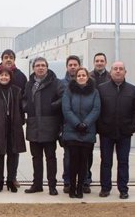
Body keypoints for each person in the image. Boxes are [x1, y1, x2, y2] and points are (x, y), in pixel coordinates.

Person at [96, 61, 135, 199]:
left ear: (125, 72)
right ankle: (105, 188)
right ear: (111, 72)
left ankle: (123, 189)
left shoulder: (133, 90)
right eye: (115, 69)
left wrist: (132, 127)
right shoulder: (101, 89)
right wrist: (100, 127)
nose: (118, 71)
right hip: (106, 133)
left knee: (123, 162)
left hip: (124, 133)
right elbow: (97, 109)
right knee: (106, 162)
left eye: (121, 69)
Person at [23, 57, 65, 196]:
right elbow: (24, 99)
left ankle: (52, 185)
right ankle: (37, 184)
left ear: (47, 67)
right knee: (36, 158)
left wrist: (52, 107)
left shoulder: (56, 83)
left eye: (43, 65)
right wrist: (27, 107)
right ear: (33, 68)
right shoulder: (29, 84)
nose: (40, 68)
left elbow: (63, 98)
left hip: (49, 126)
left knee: (50, 158)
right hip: (34, 126)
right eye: (37, 66)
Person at [0, 67, 26, 192]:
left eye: (6, 75)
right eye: (1, 75)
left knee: (13, 155)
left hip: (13, 127)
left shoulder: (16, 90)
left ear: (10, 77)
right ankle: (0, 180)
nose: (4, 77)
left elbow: (21, 108)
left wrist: (21, 122)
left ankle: (10, 180)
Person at [61, 67, 100, 198]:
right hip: (72, 131)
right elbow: (66, 109)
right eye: (79, 75)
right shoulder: (69, 91)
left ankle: (80, 188)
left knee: (84, 162)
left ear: (88, 77)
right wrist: (77, 124)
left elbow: (96, 109)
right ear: (75, 77)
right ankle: (71, 187)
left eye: (84, 75)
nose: (81, 77)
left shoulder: (94, 92)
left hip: (87, 132)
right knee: (72, 162)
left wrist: (86, 124)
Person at [61, 54, 82, 193]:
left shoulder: (88, 83)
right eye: (70, 65)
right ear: (67, 67)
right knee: (68, 156)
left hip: (85, 127)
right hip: (67, 126)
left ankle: (84, 181)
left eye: (75, 65)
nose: (73, 67)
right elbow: (62, 106)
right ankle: (68, 181)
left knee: (85, 156)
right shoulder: (61, 84)